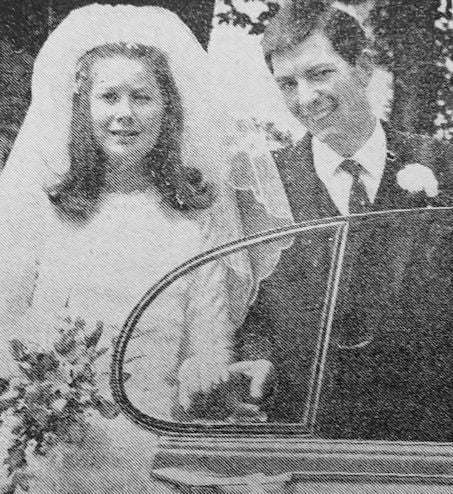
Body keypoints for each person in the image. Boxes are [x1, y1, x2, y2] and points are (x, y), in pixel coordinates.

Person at [0, 5, 254, 492]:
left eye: (142, 97)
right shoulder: (45, 210)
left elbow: (208, 345)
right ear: (84, 107)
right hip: (51, 448)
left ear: (167, 109)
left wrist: (203, 372)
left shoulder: (193, 220)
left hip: (152, 446)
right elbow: (5, 326)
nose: (124, 113)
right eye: (109, 96)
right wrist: (39, 382)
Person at [234, 0, 453, 440]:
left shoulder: (444, 166)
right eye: (288, 84)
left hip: (431, 438)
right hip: (305, 433)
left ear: (364, 68)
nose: (305, 98)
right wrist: (257, 356)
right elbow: (250, 302)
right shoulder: (263, 185)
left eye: (320, 74)